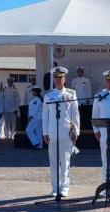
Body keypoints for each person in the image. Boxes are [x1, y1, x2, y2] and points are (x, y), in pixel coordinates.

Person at [42, 67, 80, 197]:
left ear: (65, 79)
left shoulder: (71, 94)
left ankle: (64, 187)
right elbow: (45, 115)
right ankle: (55, 188)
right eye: (56, 78)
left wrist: (76, 132)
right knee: (53, 162)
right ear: (53, 79)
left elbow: (75, 115)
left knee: (65, 161)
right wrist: (45, 133)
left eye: (61, 77)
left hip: (66, 132)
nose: (58, 80)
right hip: (52, 132)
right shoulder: (48, 95)